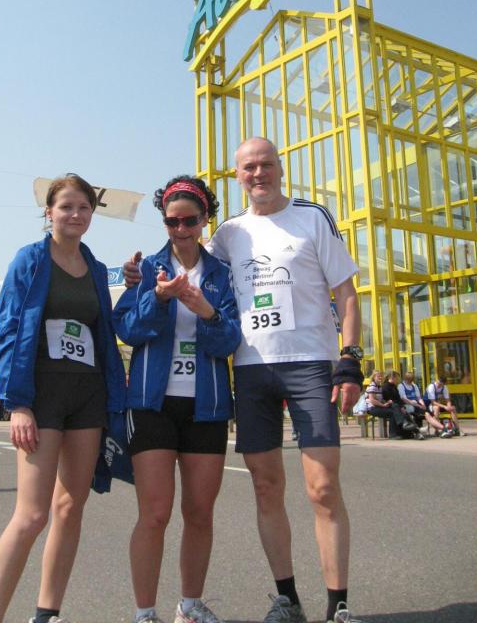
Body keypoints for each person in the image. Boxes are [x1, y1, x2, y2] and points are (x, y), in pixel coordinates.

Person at [125, 137, 366, 623]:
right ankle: (287, 599)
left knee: (322, 487)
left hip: (307, 363)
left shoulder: (311, 217)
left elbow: (346, 291)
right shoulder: (228, 235)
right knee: (265, 487)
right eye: (249, 167)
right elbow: (172, 276)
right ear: (237, 176)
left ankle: (338, 606)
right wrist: (141, 282)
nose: (259, 174)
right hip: (251, 371)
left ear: (280, 168)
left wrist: (350, 358)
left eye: (266, 164)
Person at [0, 173, 126, 623]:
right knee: (31, 516)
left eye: (84, 207)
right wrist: (18, 404)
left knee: (70, 508)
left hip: (87, 395)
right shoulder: (29, 259)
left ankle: (47, 614)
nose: (75, 214)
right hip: (41, 395)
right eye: (66, 206)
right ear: (49, 212)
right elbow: (6, 331)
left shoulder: (96, 267)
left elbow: (104, 333)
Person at [113, 176, 241, 623]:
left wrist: (206, 310)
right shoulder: (146, 269)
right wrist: (160, 298)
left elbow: (230, 340)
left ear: (205, 219)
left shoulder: (222, 273)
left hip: (206, 406)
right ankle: (144, 613)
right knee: (155, 514)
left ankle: (190, 605)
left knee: (200, 513)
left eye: (190, 220)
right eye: (172, 221)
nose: (181, 229)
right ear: (164, 222)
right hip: (152, 405)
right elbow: (126, 329)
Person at [364, 370, 416, 439]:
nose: (380, 377)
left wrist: (387, 402)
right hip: (372, 408)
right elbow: (372, 400)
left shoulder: (379, 387)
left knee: (395, 410)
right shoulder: (372, 386)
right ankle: (394, 433)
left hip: (379, 406)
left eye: (381, 376)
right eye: (378, 376)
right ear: (374, 377)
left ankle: (405, 432)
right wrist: (383, 405)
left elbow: (381, 399)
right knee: (393, 412)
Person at [381, 371, 423, 440]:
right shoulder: (385, 387)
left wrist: (402, 406)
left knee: (405, 412)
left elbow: (398, 398)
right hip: (389, 405)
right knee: (398, 409)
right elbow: (388, 399)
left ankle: (415, 432)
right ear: (392, 377)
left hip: (396, 405)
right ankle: (412, 428)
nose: (398, 380)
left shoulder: (394, 386)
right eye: (397, 378)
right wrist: (400, 406)